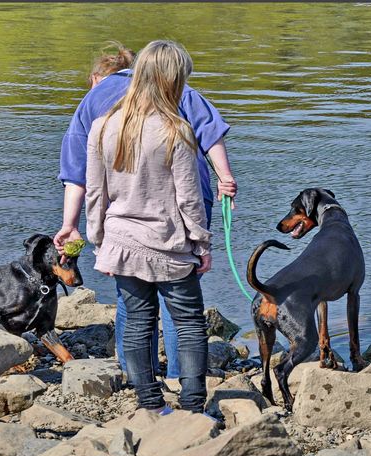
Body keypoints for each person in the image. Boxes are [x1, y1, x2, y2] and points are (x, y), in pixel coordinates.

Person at [55, 41, 237, 389]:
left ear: (97, 77)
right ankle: (181, 386)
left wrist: (79, 231)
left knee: (133, 306)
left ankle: (141, 387)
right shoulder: (179, 102)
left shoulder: (98, 114)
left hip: (122, 228)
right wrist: (223, 186)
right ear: (172, 75)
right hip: (176, 224)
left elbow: (83, 178)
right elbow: (206, 145)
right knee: (183, 312)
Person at [85, 39, 211, 413]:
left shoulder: (103, 126)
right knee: (188, 322)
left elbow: (96, 193)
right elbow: (189, 200)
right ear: (172, 81)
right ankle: (192, 404)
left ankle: (151, 403)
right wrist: (202, 245)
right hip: (169, 244)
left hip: (122, 242)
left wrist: (98, 241)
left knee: (139, 321)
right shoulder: (177, 130)